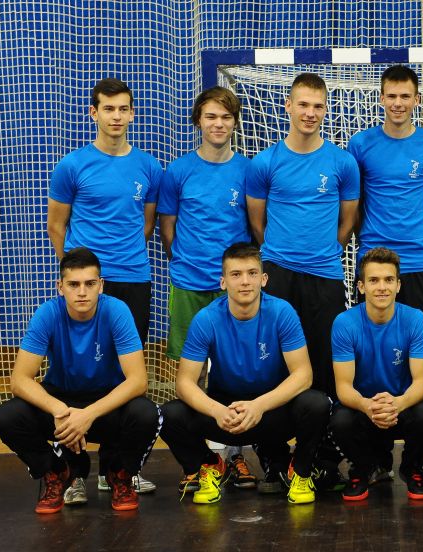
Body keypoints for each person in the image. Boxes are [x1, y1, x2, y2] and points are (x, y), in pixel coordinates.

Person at [246, 73, 359, 490]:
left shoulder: (342, 163)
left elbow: (347, 221)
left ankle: (321, 460)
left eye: (317, 106)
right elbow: (257, 223)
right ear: (288, 107)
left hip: (325, 276)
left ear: (325, 110)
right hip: (277, 275)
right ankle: (275, 460)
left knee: (327, 369)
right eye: (303, 105)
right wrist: (280, 256)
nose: (310, 113)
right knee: (272, 366)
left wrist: (323, 252)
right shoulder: (265, 162)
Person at [0, 248, 160, 514]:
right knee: (6, 417)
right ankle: (56, 471)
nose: (82, 292)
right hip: (62, 401)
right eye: (73, 284)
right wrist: (59, 410)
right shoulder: (48, 313)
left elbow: (138, 381)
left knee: (148, 413)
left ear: (101, 285)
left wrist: (88, 414)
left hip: (106, 404)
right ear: (60, 287)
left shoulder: (117, 311)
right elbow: (19, 380)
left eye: (90, 284)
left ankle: (120, 475)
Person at [159, 243, 330, 505]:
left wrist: (259, 406)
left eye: (252, 273)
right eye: (236, 274)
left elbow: (303, 374)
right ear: (223, 282)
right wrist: (217, 411)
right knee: (168, 414)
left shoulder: (282, 312)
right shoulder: (206, 319)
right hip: (226, 414)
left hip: (270, 410)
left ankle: (300, 472)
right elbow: (184, 383)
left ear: (264, 279)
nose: (245, 281)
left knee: (317, 403)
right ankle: (209, 465)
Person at [158, 86, 256, 492]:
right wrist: (188, 264)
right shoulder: (178, 172)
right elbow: (167, 229)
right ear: (198, 120)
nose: (218, 124)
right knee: (191, 374)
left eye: (226, 117)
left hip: (232, 291)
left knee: (235, 372)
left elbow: (255, 226)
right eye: (211, 116)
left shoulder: (248, 170)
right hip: (189, 285)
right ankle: (203, 460)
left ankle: (234, 455)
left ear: (235, 122)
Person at [348, 65, 423, 395]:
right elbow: (355, 203)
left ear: (417, 99)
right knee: (369, 349)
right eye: (391, 96)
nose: (398, 103)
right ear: (381, 98)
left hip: (421, 262)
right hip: (373, 262)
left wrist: (422, 239)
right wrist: (371, 243)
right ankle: (368, 416)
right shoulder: (360, 144)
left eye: (405, 96)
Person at [47, 78, 162, 344]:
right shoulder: (71, 165)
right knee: (85, 355)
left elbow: (146, 225)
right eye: (109, 109)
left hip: (134, 277)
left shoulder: (150, 167)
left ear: (132, 114)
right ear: (94, 112)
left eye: (123, 109)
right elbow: (55, 226)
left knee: (130, 356)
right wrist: (77, 269)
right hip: (87, 280)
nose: (116, 116)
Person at [329, 248, 423, 501]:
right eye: (373, 280)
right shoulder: (344, 323)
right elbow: (343, 387)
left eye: (389, 280)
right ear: (361, 286)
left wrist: (398, 404)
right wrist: (368, 406)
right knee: (339, 421)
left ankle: (412, 469)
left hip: (402, 404)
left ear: (398, 285)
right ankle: (363, 469)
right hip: (364, 406)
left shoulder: (415, 319)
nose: (382, 287)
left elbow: (421, 382)